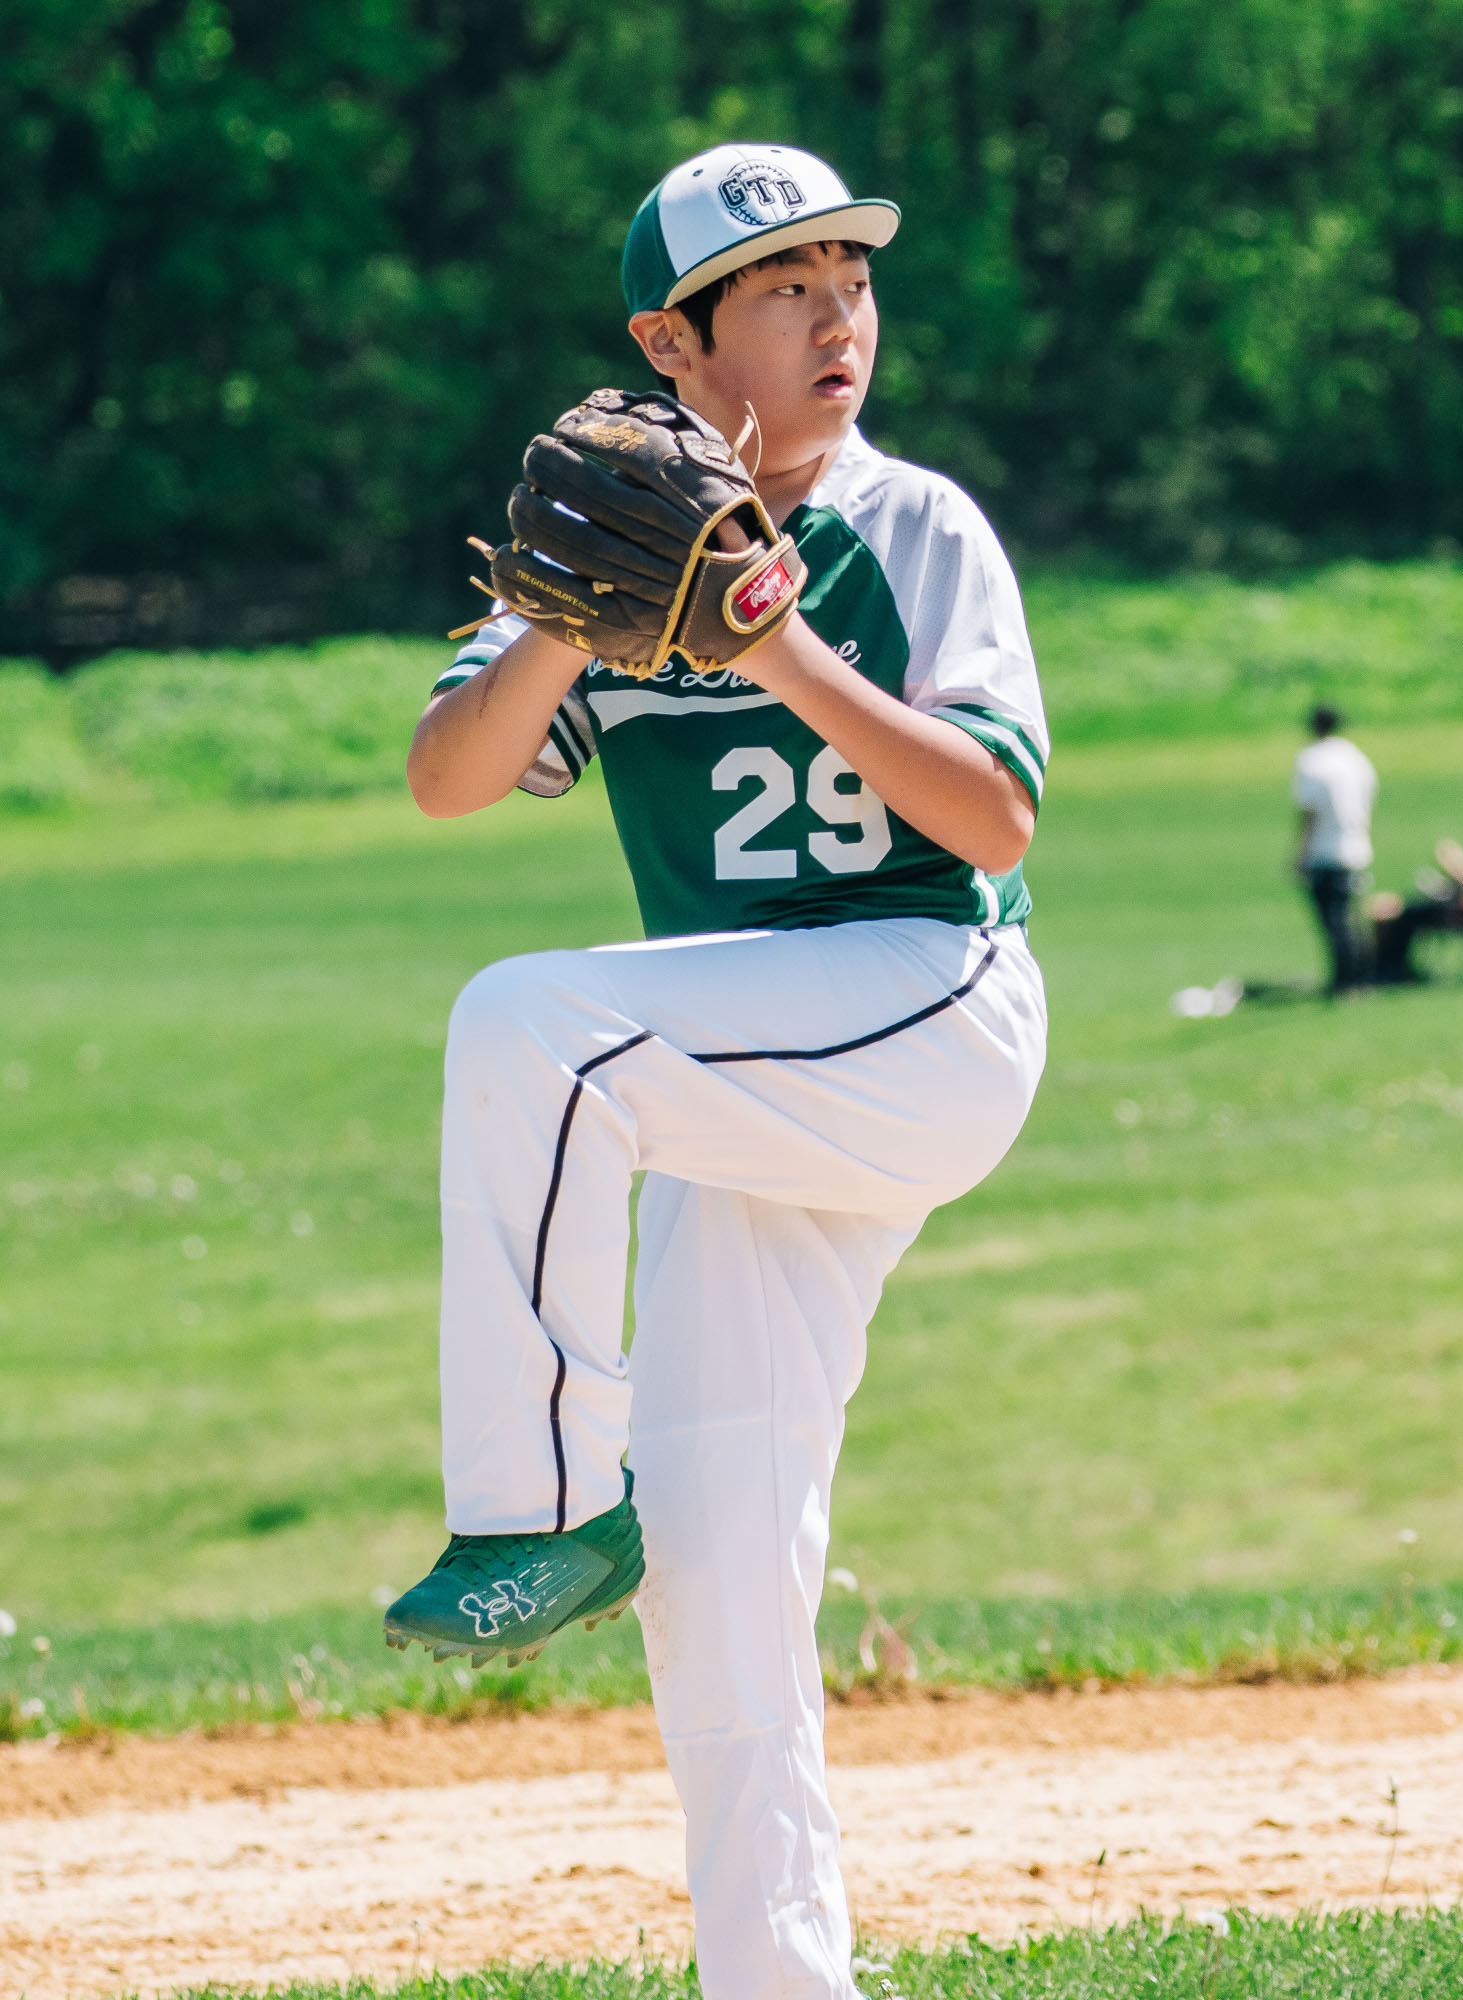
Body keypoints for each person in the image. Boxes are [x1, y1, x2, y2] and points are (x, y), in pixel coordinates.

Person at [384, 142, 1049, 2000]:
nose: (839, 312)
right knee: (720, 1570)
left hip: (928, 1007)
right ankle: (779, 1981)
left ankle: (527, 1511)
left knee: (531, 1024)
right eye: (783, 288)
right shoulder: (613, 532)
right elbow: (450, 778)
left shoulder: (918, 530)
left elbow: (990, 812)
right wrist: (561, 617)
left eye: (850, 275)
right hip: (743, 1080)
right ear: (671, 345)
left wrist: (775, 639)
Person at [1369, 786, 1463, 981]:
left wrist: (1458, 867)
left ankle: (1391, 970)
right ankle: (1387, 968)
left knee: (1403, 912)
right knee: (1400, 906)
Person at [1292, 704, 1377, 992]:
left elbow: (1310, 810)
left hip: (1324, 850)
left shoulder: (1312, 760)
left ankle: (1346, 979)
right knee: (1349, 916)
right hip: (1356, 845)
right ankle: (1361, 974)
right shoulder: (1356, 758)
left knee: (1334, 920)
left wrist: (1300, 852)